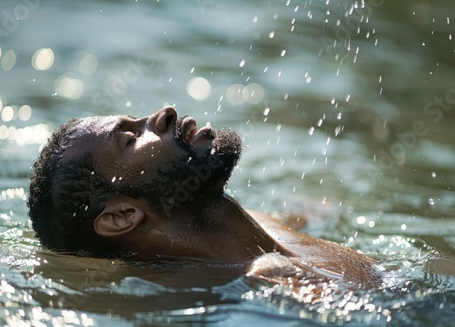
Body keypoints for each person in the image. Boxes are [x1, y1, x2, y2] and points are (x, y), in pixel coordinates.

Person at [28, 106, 380, 287]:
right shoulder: (273, 280)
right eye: (131, 138)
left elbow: (306, 215)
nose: (163, 113)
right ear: (121, 216)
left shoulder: (263, 222)